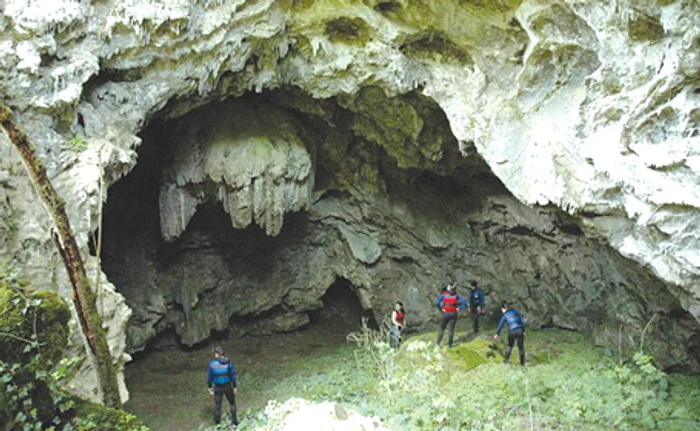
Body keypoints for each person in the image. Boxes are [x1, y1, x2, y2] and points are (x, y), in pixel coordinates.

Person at [207, 346, 238, 428]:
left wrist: (210, 387)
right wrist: (234, 386)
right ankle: (234, 423)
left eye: (215, 353)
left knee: (217, 406)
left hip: (217, 387)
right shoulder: (229, 362)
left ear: (217, 354)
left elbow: (209, 377)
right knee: (232, 404)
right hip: (227, 386)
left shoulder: (212, 364)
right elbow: (233, 376)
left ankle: (218, 425)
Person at [435, 283, 467, 347]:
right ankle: (449, 344)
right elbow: (465, 302)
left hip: (445, 313)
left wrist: (441, 309)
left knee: (442, 328)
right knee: (451, 329)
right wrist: (459, 308)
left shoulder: (444, 295)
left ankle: (438, 343)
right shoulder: (457, 296)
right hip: (453, 313)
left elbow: (437, 303)